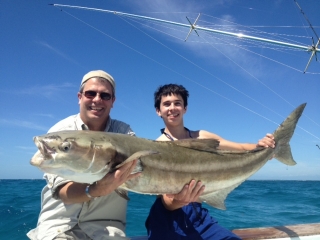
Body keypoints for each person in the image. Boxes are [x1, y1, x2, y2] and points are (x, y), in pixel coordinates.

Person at [145, 84, 276, 240]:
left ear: (185, 108)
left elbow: (240, 147)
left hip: (198, 215)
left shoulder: (202, 136)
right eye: (166, 104)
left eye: (177, 103)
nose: (172, 108)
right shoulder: (156, 147)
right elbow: (165, 200)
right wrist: (178, 201)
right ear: (158, 111)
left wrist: (263, 146)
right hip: (168, 217)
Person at [27, 70, 140, 240]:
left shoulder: (124, 133)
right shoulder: (61, 131)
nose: (97, 99)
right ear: (79, 97)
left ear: (113, 101)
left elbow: (139, 170)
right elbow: (62, 191)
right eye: (90, 93)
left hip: (106, 228)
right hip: (60, 227)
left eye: (105, 95)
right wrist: (95, 189)